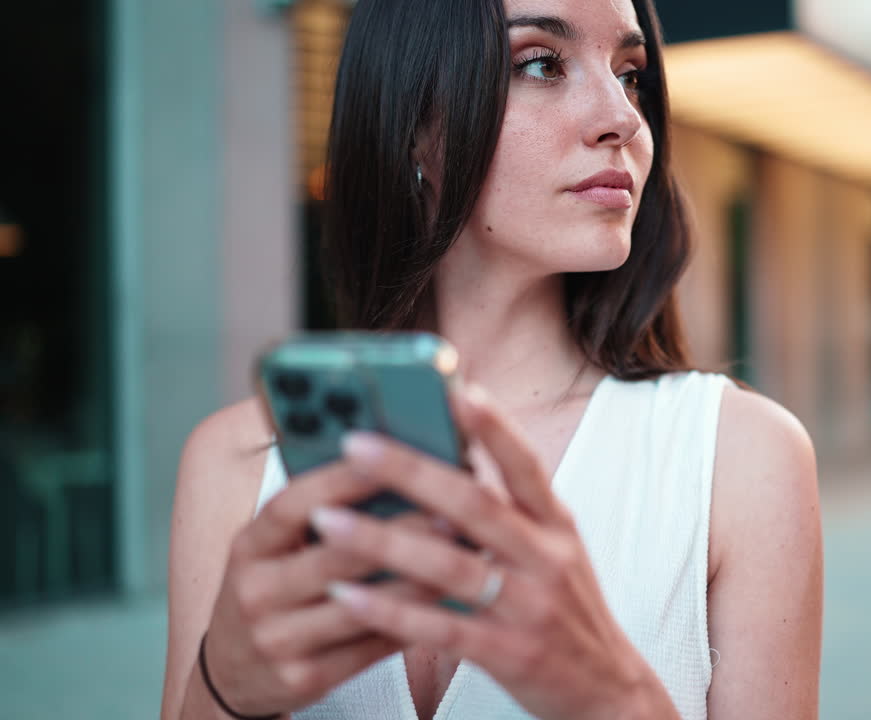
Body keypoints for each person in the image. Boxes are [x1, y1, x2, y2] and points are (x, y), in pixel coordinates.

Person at [160, 0, 822, 718]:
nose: (624, 120)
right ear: (413, 123)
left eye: (630, 74)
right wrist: (223, 685)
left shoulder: (739, 460)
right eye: (540, 63)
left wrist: (609, 693)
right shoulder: (235, 464)